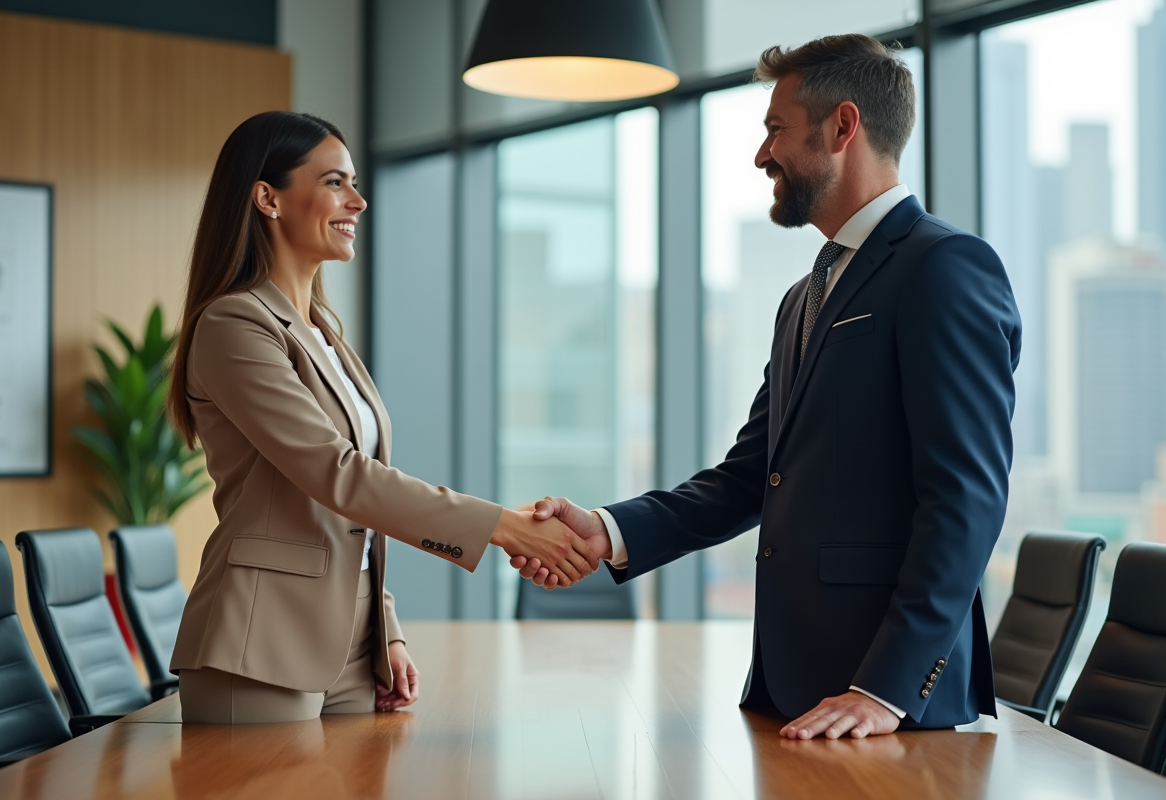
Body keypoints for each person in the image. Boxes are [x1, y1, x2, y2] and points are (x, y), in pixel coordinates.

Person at [515, 34, 1021, 739]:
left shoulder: (945, 266)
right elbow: (751, 477)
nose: (761, 155)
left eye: (776, 129)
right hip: (798, 694)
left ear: (842, 127)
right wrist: (607, 531)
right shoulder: (802, 297)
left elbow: (967, 496)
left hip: (883, 709)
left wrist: (885, 689)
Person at [166, 111, 598, 724]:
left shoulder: (323, 333)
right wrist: (505, 527)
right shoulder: (234, 325)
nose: (358, 201)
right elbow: (338, 475)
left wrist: (384, 627)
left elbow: (353, 515)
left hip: (351, 637)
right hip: (263, 637)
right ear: (268, 198)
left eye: (355, 182)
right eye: (335, 182)